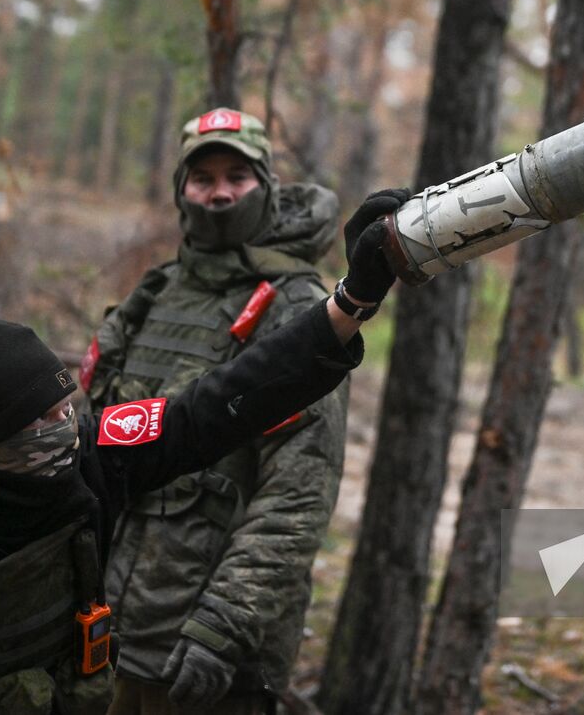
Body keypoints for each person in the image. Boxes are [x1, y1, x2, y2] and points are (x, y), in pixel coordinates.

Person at [0, 188, 410, 715]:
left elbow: (214, 405)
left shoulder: (91, 455)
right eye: (41, 422)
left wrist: (352, 299)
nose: (66, 429)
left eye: (65, 405)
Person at [84, 108, 356, 715]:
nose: (220, 193)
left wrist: (224, 624)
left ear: (268, 186)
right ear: (182, 191)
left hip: (205, 658)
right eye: (202, 178)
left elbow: (298, 497)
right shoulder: (152, 296)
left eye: (238, 174)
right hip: (107, 639)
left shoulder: (299, 314)